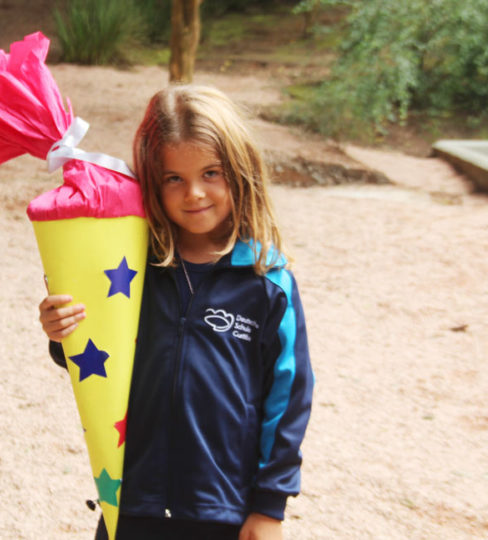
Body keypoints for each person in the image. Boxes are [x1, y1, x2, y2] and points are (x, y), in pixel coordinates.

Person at [38, 85, 313, 540]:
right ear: (152, 180)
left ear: (241, 172)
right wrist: (60, 332)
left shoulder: (267, 284)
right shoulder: (129, 268)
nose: (194, 193)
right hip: (131, 502)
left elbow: (288, 400)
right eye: (174, 179)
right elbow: (95, 360)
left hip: (220, 509)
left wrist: (269, 508)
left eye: (211, 173)